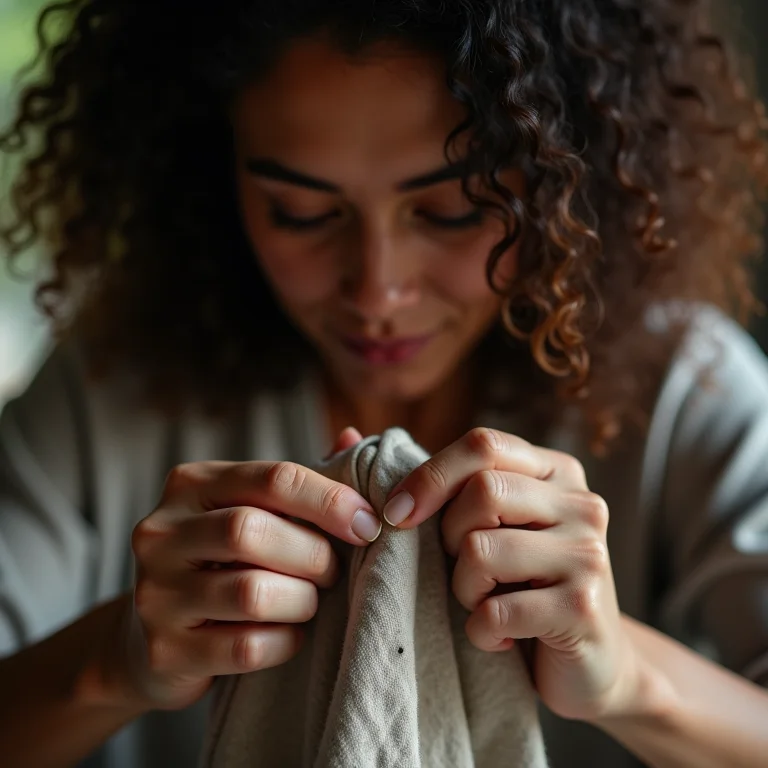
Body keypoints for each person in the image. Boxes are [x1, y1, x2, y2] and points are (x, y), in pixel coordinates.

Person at [1, 0, 768, 766]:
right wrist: (114, 661)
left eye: (452, 210)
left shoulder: (685, 390)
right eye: (300, 213)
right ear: (210, 177)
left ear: (561, 181)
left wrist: (629, 679)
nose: (377, 291)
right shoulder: (106, 394)